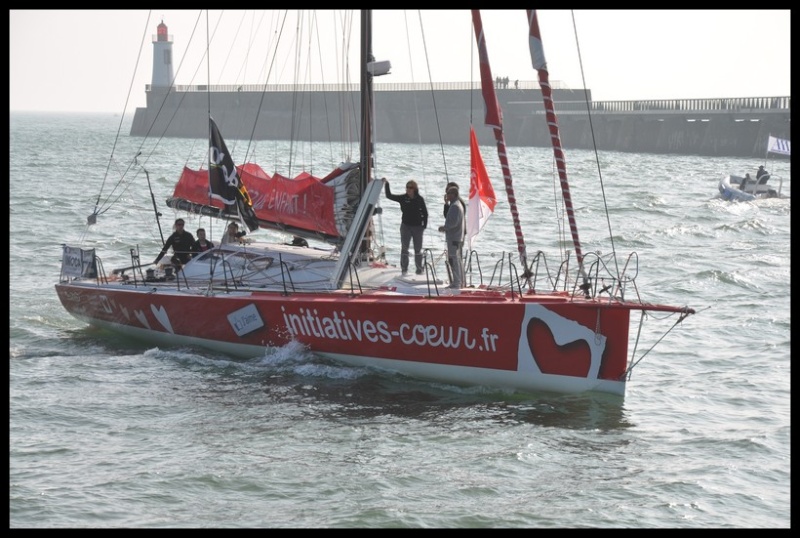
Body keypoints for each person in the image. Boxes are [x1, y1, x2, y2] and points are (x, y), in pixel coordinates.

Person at [384, 179, 428, 275]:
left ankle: (419, 269)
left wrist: (424, 226)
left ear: (414, 189)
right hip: (406, 226)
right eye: (407, 187)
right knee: (404, 248)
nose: (408, 189)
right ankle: (404, 269)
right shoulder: (403, 198)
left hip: (417, 227)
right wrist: (387, 184)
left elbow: (425, 213)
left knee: (418, 249)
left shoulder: (419, 199)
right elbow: (389, 196)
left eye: (410, 187)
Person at [438, 187, 465, 289]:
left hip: (454, 237)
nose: (447, 195)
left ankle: (456, 283)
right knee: (456, 259)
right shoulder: (456, 205)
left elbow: (453, 222)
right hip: (457, 237)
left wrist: (444, 228)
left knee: (454, 259)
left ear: (454, 194)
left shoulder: (455, 206)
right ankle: (459, 282)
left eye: (448, 193)